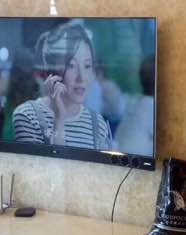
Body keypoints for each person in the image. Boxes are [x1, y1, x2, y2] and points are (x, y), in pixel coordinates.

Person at [12, 21, 112, 150]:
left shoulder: (97, 124)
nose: (81, 78)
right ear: (53, 70)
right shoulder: (28, 116)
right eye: (71, 65)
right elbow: (51, 163)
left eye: (87, 66)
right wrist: (59, 119)